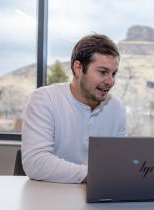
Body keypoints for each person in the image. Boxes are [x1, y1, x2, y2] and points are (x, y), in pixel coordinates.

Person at [21, 34, 126, 183]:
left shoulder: (117, 108)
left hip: (99, 198)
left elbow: (119, 162)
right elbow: (35, 162)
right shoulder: (45, 99)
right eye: (103, 72)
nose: (110, 81)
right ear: (78, 68)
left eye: (113, 74)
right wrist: (91, 175)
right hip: (50, 198)